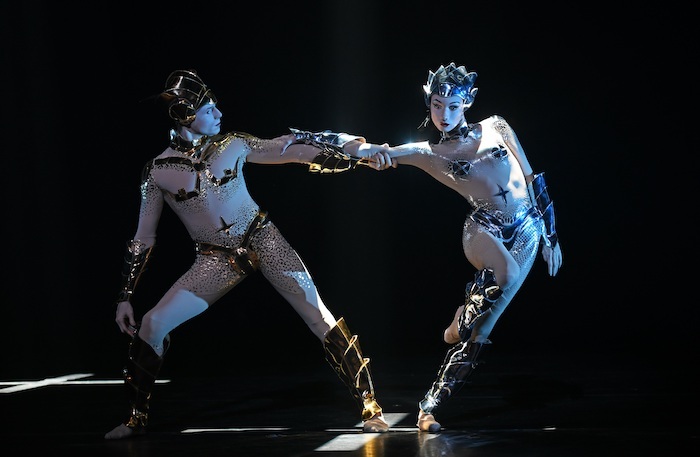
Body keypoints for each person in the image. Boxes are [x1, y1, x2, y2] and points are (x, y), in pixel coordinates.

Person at [104, 69, 395, 440]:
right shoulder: (158, 172)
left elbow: (291, 148)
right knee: (152, 324)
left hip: (264, 240)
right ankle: (135, 418)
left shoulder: (234, 144)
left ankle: (371, 407)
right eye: (210, 110)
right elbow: (143, 238)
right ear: (184, 115)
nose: (219, 114)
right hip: (215, 260)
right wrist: (125, 296)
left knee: (318, 315)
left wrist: (358, 154)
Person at [343, 63, 563, 432]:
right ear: (429, 104)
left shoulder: (497, 126)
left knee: (478, 331)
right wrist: (369, 154)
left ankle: (428, 407)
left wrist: (551, 235)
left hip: (528, 230)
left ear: (468, 103)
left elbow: (530, 175)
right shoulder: (427, 152)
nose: (444, 114)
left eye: (453, 106)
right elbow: (380, 153)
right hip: (483, 230)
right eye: (437, 105)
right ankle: (462, 320)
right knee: (504, 274)